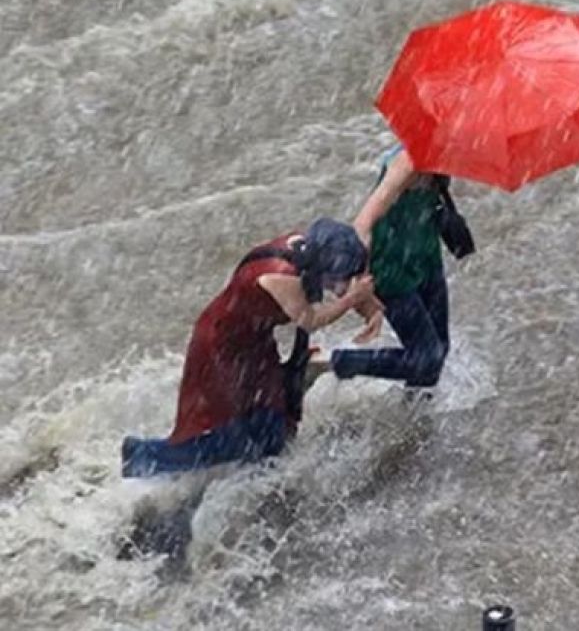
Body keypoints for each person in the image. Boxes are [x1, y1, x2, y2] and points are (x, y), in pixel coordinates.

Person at [121, 218, 379, 478]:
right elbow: (310, 320)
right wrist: (351, 300)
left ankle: (259, 477)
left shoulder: (309, 249)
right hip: (221, 347)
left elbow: (348, 284)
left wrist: (369, 310)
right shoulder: (280, 275)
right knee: (224, 430)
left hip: (254, 339)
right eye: (337, 278)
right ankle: (143, 456)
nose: (340, 285)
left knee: (272, 417)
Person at [322, 144, 470, 391]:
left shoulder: (442, 156)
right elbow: (362, 225)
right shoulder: (406, 164)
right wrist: (363, 293)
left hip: (426, 259)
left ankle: (417, 420)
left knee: (438, 351)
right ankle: (330, 362)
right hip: (391, 271)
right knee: (426, 359)